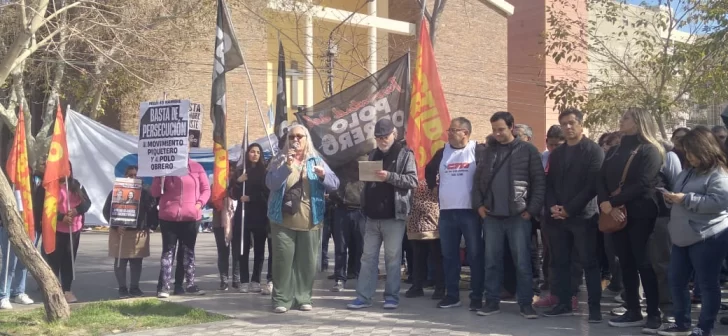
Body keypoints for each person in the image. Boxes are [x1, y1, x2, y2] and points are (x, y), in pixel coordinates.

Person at [472, 111, 545, 319]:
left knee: (522, 262)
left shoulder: (528, 150)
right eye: (494, 130)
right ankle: (492, 302)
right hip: (492, 216)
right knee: (491, 261)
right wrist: (478, 206)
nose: (497, 133)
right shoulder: (488, 152)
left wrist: (531, 210)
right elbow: (477, 182)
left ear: (512, 127)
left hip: (518, 216)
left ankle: (525, 303)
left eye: (501, 129)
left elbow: (539, 183)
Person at [598, 107, 665, 328]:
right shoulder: (614, 150)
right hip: (614, 213)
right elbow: (601, 180)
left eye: (626, 117)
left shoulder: (650, 150)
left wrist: (614, 203)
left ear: (638, 122)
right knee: (624, 262)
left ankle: (654, 313)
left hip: (640, 213)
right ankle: (633, 310)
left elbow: (645, 184)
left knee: (643, 262)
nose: (621, 119)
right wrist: (605, 204)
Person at [660, 127, 728, 336]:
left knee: (707, 283)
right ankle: (682, 323)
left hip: (707, 235)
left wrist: (686, 200)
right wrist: (671, 197)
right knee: (676, 279)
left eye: (691, 152)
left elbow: (720, 201)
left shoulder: (718, 173)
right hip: (682, 235)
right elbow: (680, 191)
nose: (688, 156)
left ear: (704, 149)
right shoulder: (688, 171)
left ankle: (704, 327)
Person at [266, 125, 339, 313]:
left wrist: (323, 175)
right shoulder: (279, 160)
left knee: (306, 263)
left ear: (307, 139)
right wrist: (287, 168)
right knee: (283, 262)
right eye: (292, 137)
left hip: (310, 220)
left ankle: (303, 297)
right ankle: (282, 299)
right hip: (282, 221)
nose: (295, 140)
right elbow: (271, 183)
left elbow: (335, 184)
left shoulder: (317, 160)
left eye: (300, 136)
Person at [347, 119, 417, 310]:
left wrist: (390, 176)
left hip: (393, 216)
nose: (382, 140)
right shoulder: (373, 154)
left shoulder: (404, 154)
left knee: (392, 259)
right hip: (371, 216)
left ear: (394, 133)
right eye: (378, 137)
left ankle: (392, 296)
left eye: (385, 136)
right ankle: (363, 296)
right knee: (367, 257)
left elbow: (412, 180)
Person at [541, 108, 604, 322]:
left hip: (583, 217)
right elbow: (548, 184)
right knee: (560, 262)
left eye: (571, 123)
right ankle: (563, 302)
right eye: (564, 123)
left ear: (580, 124)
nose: (568, 127)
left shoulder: (593, 150)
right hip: (557, 218)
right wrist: (553, 207)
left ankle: (594, 309)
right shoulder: (557, 153)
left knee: (589, 262)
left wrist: (569, 209)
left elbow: (592, 186)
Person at [424, 117, 484, 310]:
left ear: (465, 133)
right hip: (447, 213)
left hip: (471, 212)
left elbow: (488, 176)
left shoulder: (478, 150)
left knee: (475, 255)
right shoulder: (443, 152)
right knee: (449, 256)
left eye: (453, 130)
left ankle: (476, 297)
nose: (449, 133)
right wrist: (433, 186)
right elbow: (429, 170)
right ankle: (452, 295)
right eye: (449, 130)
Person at [152, 155, 210, 298]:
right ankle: (164, 286)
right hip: (169, 217)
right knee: (168, 252)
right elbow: (154, 192)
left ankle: (186, 285)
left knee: (187, 253)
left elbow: (206, 189)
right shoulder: (165, 167)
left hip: (191, 217)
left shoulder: (196, 167)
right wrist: (159, 177)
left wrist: (199, 204)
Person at [103, 165, 159, 298]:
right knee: (120, 262)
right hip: (120, 232)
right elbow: (107, 211)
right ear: (125, 176)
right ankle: (122, 288)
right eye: (130, 175)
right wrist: (116, 226)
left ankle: (134, 287)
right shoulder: (116, 191)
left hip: (138, 232)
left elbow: (152, 211)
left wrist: (151, 225)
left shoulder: (146, 191)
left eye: (135, 175)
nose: (133, 178)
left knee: (136, 262)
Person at [48, 164, 91, 303]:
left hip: (74, 229)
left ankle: (67, 290)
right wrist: (61, 217)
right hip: (56, 229)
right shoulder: (51, 186)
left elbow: (87, 203)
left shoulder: (77, 185)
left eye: (69, 169)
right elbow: (46, 208)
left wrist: (76, 211)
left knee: (69, 260)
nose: (66, 172)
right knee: (55, 261)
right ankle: (53, 291)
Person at [230, 143, 270, 293]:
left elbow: (266, 194)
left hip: (259, 214)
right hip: (243, 215)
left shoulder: (264, 172)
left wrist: (251, 198)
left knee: (259, 249)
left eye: (258, 152)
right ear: (247, 153)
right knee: (243, 248)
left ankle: (256, 280)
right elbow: (232, 193)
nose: (255, 154)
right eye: (252, 152)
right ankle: (244, 280)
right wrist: (239, 181)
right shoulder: (241, 171)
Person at [329, 157, 366, 292]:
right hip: (341, 209)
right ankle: (340, 278)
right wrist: (337, 197)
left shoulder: (365, 159)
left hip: (360, 210)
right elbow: (331, 180)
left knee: (361, 247)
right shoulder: (339, 161)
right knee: (341, 247)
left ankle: (361, 278)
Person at [404, 180, 445, 300]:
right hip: (416, 217)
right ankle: (417, 286)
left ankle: (440, 288)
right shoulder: (415, 166)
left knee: (436, 257)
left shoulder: (437, 166)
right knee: (418, 256)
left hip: (433, 217)